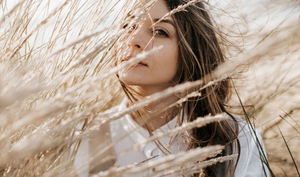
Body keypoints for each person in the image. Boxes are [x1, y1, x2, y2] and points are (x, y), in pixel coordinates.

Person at [74, 0, 269, 176]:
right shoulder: (98, 132)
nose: (132, 39)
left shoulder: (236, 138)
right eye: (128, 25)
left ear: (190, 50)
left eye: (160, 31)